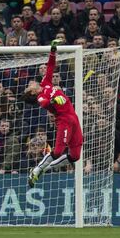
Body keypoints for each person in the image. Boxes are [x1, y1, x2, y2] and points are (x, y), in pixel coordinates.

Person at [22, 39, 83, 187]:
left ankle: (45, 168)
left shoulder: (45, 83)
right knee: (57, 151)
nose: (32, 83)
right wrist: (56, 101)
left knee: (75, 156)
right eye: (29, 86)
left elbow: (50, 67)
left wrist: (53, 52)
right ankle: (37, 169)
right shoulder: (40, 97)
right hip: (64, 121)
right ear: (32, 92)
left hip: (74, 118)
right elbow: (46, 103)